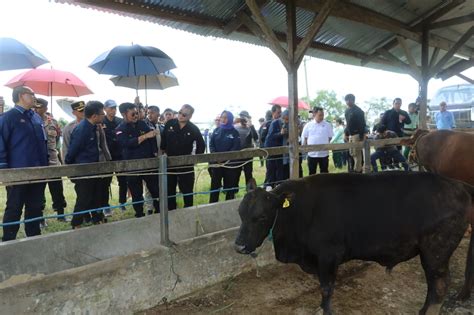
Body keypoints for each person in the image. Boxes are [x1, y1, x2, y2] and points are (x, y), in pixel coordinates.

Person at [0, 86, 48, 241]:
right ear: (21, 95)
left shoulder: (36, 117)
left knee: (35, 207)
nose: (35, 97)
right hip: (17, 174)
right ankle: (8, 241)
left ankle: (33, 239)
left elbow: (43, 143)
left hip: (39, 172)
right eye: (32, 94)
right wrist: (5, 172)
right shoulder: (8, 118)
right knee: (14, 208)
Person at [65, 101, 111, 228]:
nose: (104, 116)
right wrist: (72, 166)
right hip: (83, 171)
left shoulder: (94, 127)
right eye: (102, 114)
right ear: (94, 116)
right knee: (84, 199)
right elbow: (72, 151)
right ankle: (76, 223)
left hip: (94, 169)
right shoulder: (82, 129)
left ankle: (97, 219)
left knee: (96, 196)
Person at [116, 102, 160, 218]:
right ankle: (139, 214)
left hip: (148, 164)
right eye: (133, 114)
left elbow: (152, 138)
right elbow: (126, 143)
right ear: (123, 114)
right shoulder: (120, 129)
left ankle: (159, 211)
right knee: (136, 193)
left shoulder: (142, 124)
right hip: (132, 166)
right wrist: (145, 136)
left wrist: (154, 152)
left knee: (155, 189)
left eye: (137, 113)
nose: (136, 115)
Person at [161, 104, 205, 209]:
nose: (181, 115)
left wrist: (195, 159)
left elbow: (201, 145)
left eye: (184, 114)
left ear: (190, 116)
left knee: (187, 189)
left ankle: (188, 209)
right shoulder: (170, 124)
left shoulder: (193, 128)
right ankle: (171, 210)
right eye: (180, 112)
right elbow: (163, 139)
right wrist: (164, 152)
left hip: (186, 163)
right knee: (170, 188)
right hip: (170, 162)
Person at [35, 98, 67, 222]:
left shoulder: (53, 122)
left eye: (39, 107)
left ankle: (60, 214)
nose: (36, 109)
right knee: (38, 192)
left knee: (57, 190)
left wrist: (61, 160)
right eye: (35, 107)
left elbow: (57, 142)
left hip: (53, 161)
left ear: (45, 108)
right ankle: (40, 218)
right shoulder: (32, 122)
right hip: (38, 163)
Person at [209, 110, 241, 203]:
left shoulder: (234, 132)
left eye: (225, 117)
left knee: (229, 186)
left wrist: (225, 159)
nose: (223, 119)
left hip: (229, 165)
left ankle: (229, 204)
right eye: (222, 117)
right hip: (216, 164)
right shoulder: (216, 130)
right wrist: (216, 158)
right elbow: (211, 145)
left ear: (230, 119)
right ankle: (212, 204)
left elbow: (236, 147)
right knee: (215, 185)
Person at [102, 99, 127, 213]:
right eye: (111, 108)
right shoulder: (101, 121)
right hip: (107, 156)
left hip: (120, 155)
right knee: (106, 182)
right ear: (105, 109)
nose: (113, 110)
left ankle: (122, 202)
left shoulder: (120, 121)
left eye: (115, 108)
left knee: (123, 180)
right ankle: (106, 205)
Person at [302, 107, 333, 174]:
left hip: (324, 154)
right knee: (312, 173)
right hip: (312, 154)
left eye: (323, 115)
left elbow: (330, 137)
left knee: (324, 173)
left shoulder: (327, 125)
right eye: (320, 115)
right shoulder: (308, 125)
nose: (322, 117)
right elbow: (305, 138)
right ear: (314, 114)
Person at [234, 110, 258, 185]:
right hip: (238, 155)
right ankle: (234, 191)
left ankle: (250, 192)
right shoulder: (235, 128)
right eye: (242, 117)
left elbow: (256, 137)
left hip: (248, 155)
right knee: (236, 174)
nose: (243, 119)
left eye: (245, 117)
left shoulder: (250, 128)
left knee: (248, 174)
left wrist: (251, 125)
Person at [344, 94, 366, 173]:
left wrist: (361, 136)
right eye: (346, 100)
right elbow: (347, 124)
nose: (347, 102)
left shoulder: (358, 111)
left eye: (349, 100)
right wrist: (345, 133)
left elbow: (362, 124)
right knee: (352, 153)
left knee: (357, 154)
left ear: (353, 100)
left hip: (357, 135)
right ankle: (353, 169)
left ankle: (358, 171)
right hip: (350, 135)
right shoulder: (346, 111)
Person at [264, 108, 287, 185]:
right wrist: (280, 133)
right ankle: (268, 187)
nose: (280, 114)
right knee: (271, 170)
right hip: (271, 151)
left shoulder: (283, 124)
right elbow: (270, 137)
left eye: (281, 112)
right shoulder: (273, 123)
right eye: (278, 112)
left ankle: (278, 186)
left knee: (279, 170)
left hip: (280, 150)